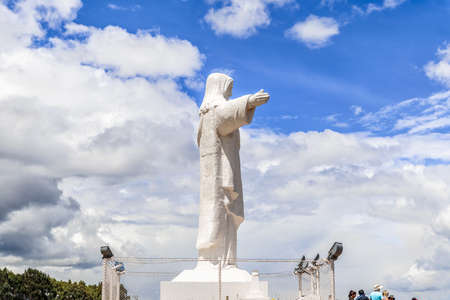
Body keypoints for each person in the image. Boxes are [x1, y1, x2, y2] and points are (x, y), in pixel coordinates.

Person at [196, 73, 270, 267]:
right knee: (218, 213)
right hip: (217, 179)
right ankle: (215, 261)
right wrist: (249, 101)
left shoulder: (210, 110)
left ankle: (227, 262)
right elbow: (225, 115)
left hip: (220, 175)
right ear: (219, 87)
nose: (231, 91)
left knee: (226, 215)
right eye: (229, 87)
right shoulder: (212, 110)